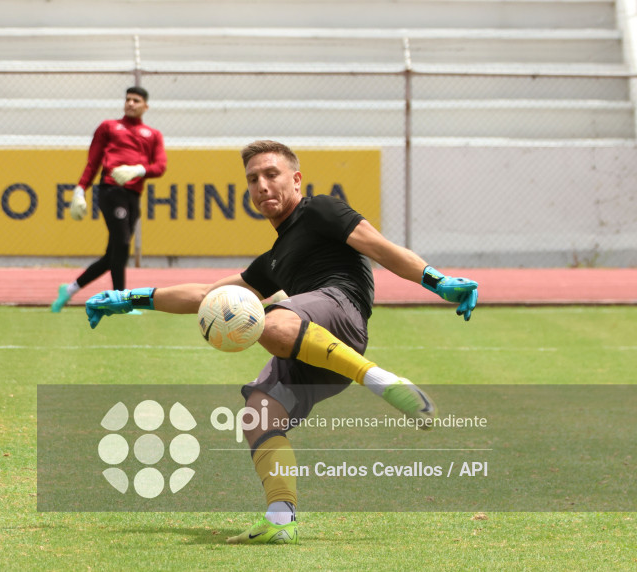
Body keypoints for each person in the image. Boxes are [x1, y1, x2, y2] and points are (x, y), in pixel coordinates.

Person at [84, 140, 478, 544]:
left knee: (268, 322)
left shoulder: (321, 209)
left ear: (296, 179)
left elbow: (381, 249)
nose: (262, 185)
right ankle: (280, 519)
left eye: (271, 175)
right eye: (253, 179)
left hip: (339, 310)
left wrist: (438, 281)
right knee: (258, 415)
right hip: (312, 343)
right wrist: (129, 298)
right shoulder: (272, 259)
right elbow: (206, 294)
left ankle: (380, 380)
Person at [51, 86, 167, 312]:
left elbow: (160, 166)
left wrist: (139, 170)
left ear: (145, 106)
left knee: (113, 254)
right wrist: (79, 190)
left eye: (136, 100)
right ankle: (121, 302)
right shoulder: (109, 127)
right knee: (122, 243)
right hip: (111, 190)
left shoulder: (153, 134)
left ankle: (70, 289)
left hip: (134, 194)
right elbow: (93, 162)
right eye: (128, 100)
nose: (131, 103)